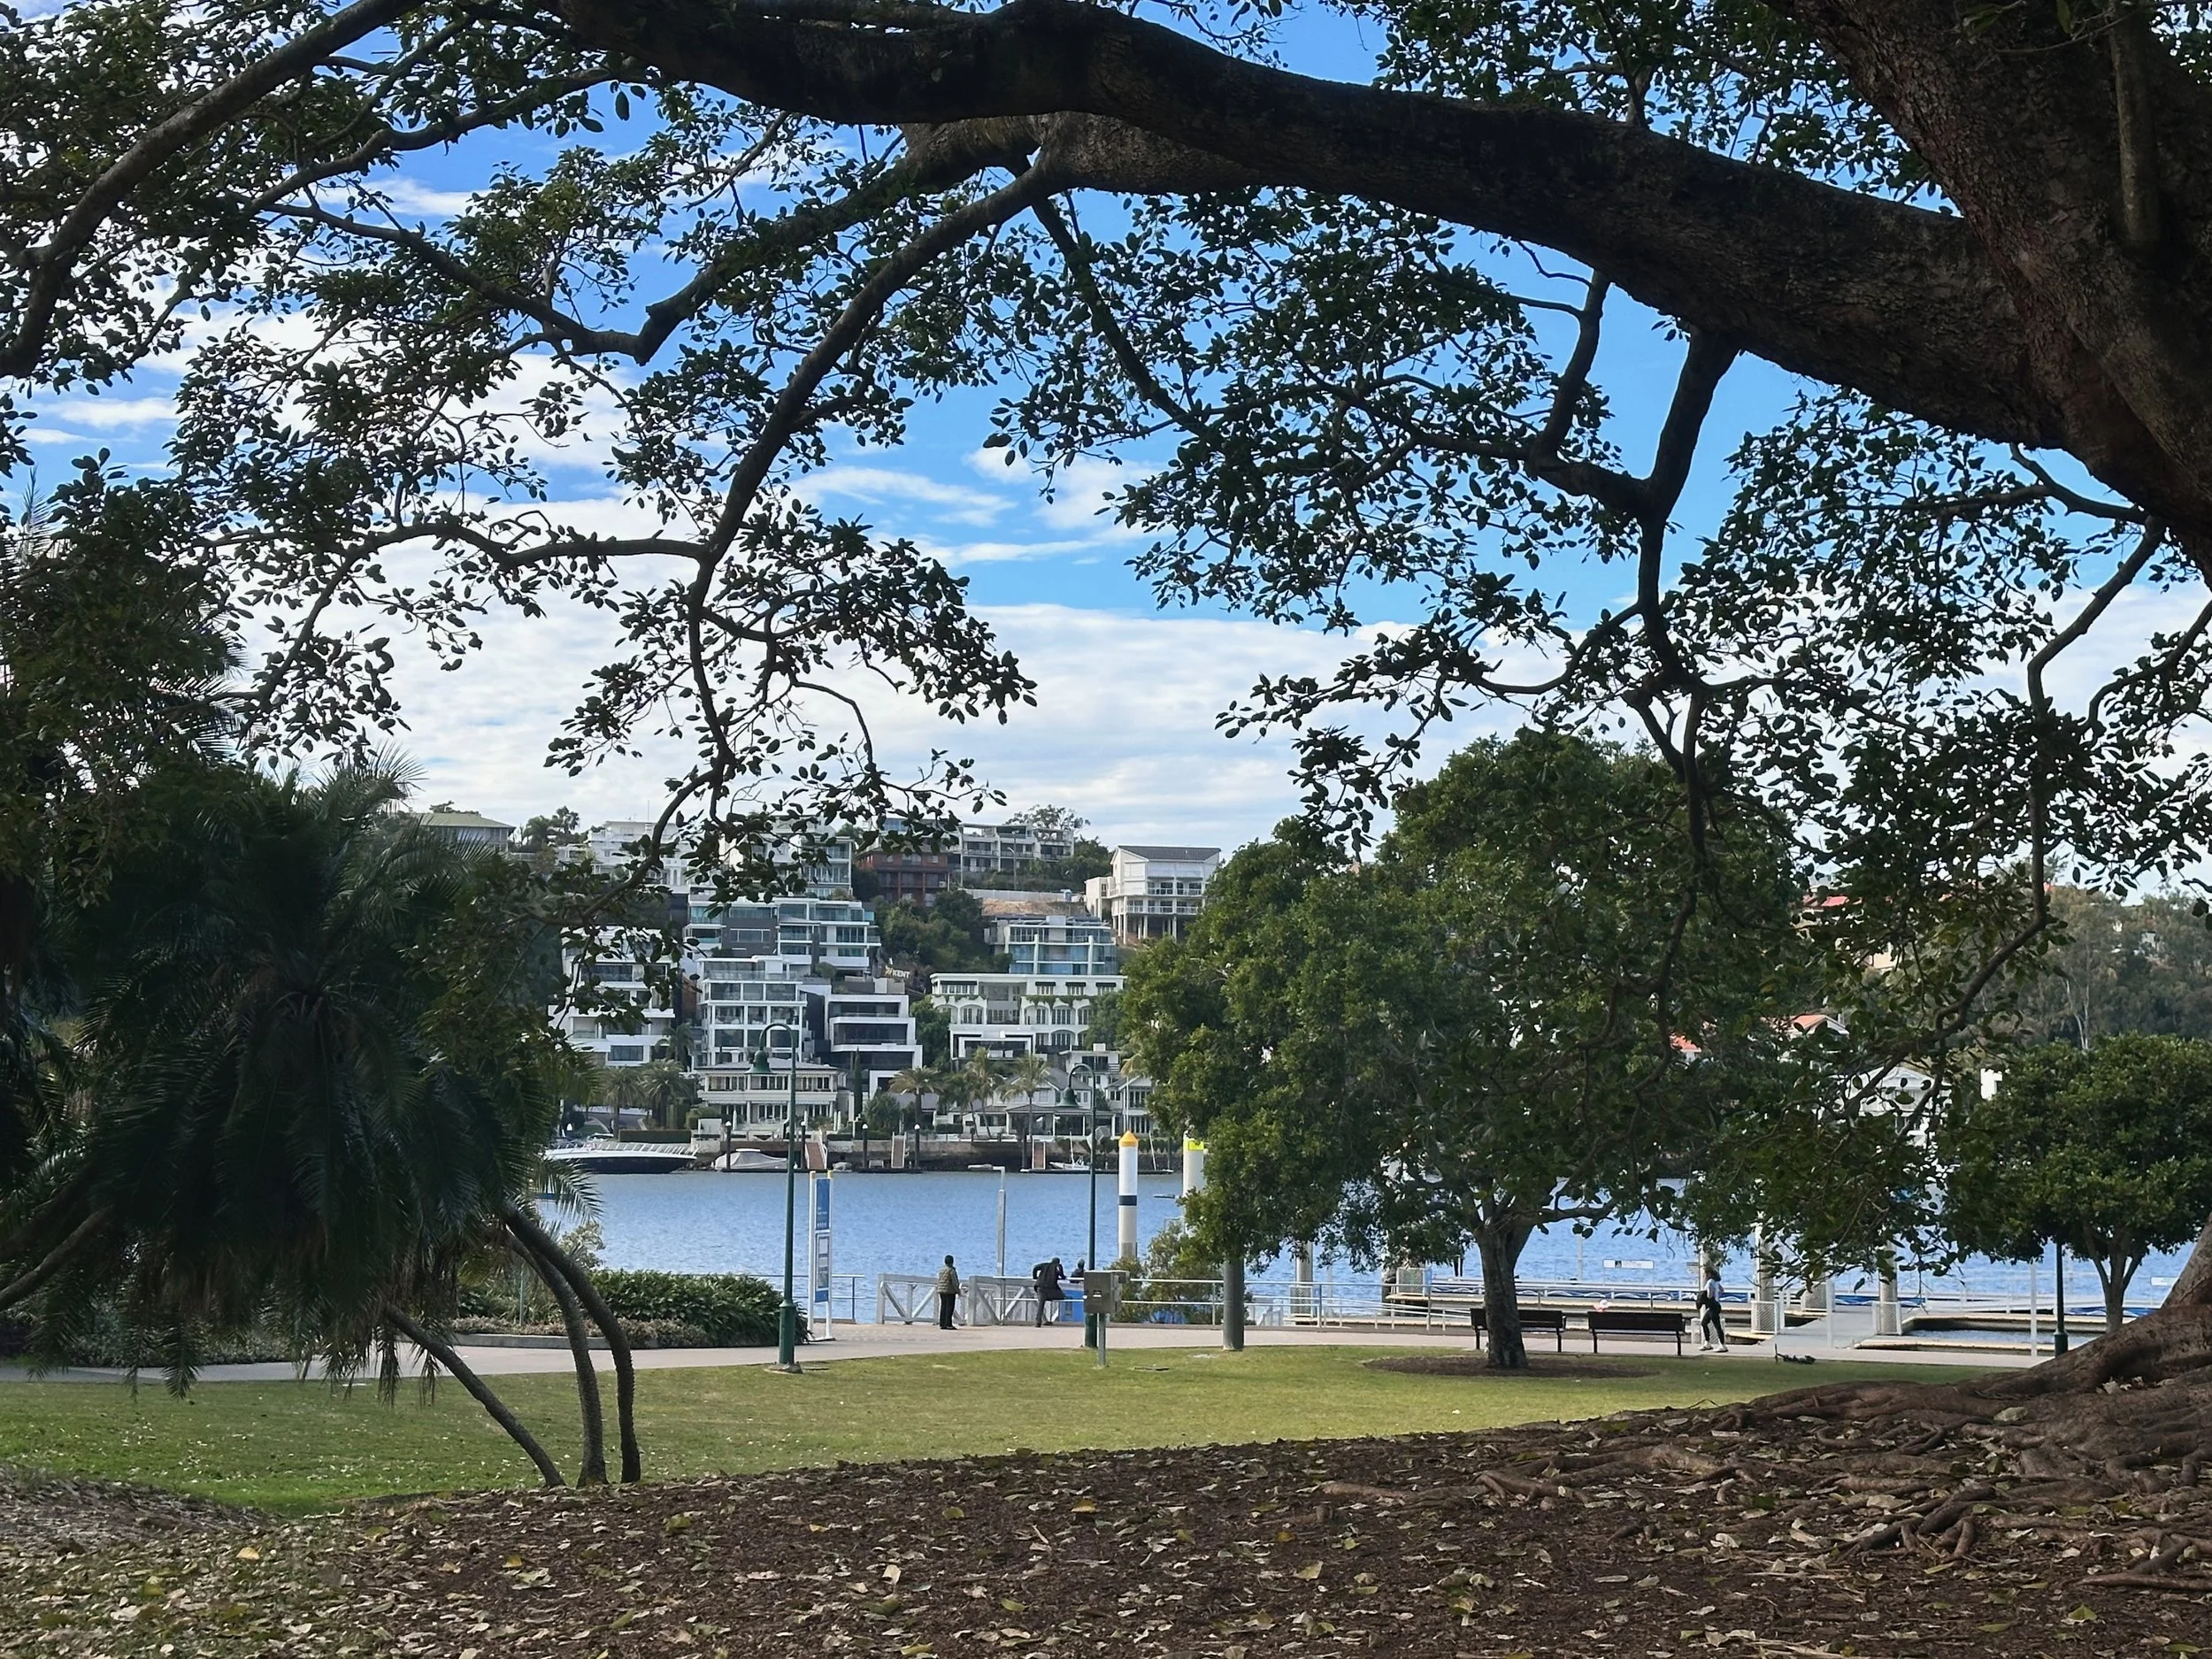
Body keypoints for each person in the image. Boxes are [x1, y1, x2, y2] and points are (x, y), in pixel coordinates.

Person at [1698, 1269, 1728, 1352]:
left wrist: (1705, 1297)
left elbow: (1710, 1294)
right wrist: (1717, 1296)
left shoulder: (1710, 1282)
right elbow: (1722, 1290)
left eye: (1705, 1274)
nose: (1704, 1276)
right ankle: (1707, 1343)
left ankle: (1722, 1345)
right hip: (1716, 1305)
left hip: (1713, 1306)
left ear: (1708, 1274)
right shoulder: (1716, 1282)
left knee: (1717, 1326)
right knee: (1704, 1323)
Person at [1032, 1256, 1066, 1326]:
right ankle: (1049, 1298)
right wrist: (1063, 1277)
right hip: (1050, 1288)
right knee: (1062, 1296)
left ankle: (1038, 1321)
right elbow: (1061, 1273)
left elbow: (1035, 1267)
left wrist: (1035, 1277)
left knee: (1041, 1304)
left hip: (1040, 1287)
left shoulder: (1045, 1265)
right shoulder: (1057, 1266)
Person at [935, 1254, 961, 1330]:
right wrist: (958, 1291)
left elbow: (939, 1279)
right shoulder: (951, 1270)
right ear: (952, 1262)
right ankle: (948, 1324)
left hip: (941, 1290)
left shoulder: (941, 1270)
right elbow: (954, 1282)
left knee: (943, 1307)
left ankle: (942, 1323)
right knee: (949, 1307)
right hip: (950, 1291)